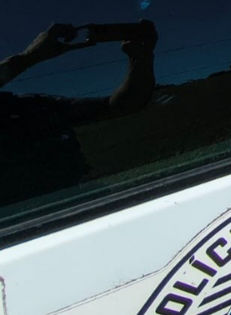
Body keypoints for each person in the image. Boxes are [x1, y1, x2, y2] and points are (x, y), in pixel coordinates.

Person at [0, 21, 158, 208]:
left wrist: (140, 57)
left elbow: (123, 105)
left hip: (86, 205)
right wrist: (29, 57)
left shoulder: (33, 108)